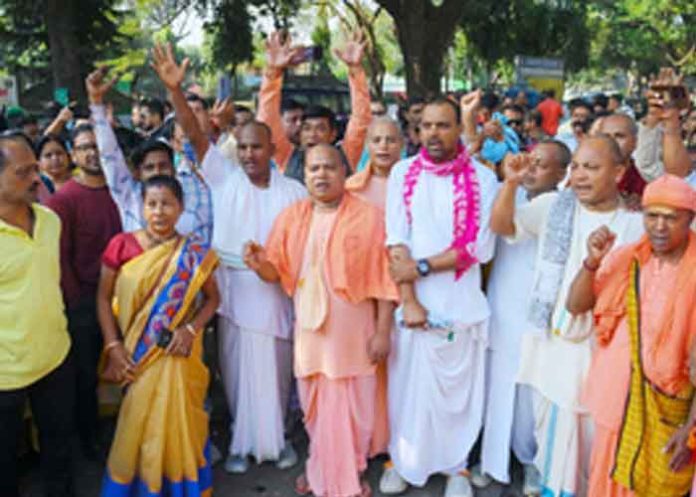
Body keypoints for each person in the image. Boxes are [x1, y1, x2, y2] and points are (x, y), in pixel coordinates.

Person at [150, 41, 307, 473]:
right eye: (243, 148)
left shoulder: (295, 193)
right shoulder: (224, 180)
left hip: (277, 292)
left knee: (278, 373)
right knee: (235, 373)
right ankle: (240, 441)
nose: (250, 155)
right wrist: (175, 92)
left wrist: (275, 271)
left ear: (273, 149)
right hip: (233, 291)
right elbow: (196, 135)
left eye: (258, 147)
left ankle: (280, 443)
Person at [489, 135, 645, 497]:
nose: (579, 176)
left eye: (591, 168)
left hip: (608, 353)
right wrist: (511, 184)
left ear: (620, 172)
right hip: (556, 348)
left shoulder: (636, 225)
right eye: (575, 166)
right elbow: (502, 226)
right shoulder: (553, 206)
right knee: (556, 448)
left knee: (599, 444)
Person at [244, 143, 398, 497]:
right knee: (314, 402)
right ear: (305, 175)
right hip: (311, 331)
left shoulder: (369, 217)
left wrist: (383, 332)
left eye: (330, 167)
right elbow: (275, 271)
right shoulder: (291, 217)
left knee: (355, 405)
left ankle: (349, 471)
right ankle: (322, 466)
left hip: (354, 328)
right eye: (314, 169)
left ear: (345, 173)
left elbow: (385, 281)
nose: (321, 175)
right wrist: (257, 264)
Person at [379, 96, 499, 497]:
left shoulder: (483, 178)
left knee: (457, 394)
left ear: (459, 129)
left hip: (460, 303)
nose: (433, 133)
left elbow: (479, 248)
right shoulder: (402, 173)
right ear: (417, 131)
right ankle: (402, 458)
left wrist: (423, 267)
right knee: (406, 388)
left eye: (443, 125)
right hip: (414, 303)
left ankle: (456, 467)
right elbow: (396, 240)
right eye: (426, 125)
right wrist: (410, 297)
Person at [564, 174, 696, 497]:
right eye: (652, 216)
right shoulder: (628, 258)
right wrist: (592, 262)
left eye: (670, 217)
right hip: (615, 399)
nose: (660, 227)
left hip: (669, 410)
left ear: (690, 219)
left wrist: (691, 429)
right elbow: (576, 305)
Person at [97, 175, 220, 496]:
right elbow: (102, 298)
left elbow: (213, 299)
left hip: (178, 352)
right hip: (136, 353)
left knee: (179, 420)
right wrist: (113, 346)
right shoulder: (121, 245)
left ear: (180, 208)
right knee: (137, 421)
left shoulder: (193, 253)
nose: (159, 212)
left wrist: (191, 330)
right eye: (152, 204)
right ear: (142, 207)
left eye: (167, 204)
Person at [473, 141, 571, 495]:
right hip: (504, 305)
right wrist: (510, 184)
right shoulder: (505, 192)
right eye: (529, 161)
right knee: (498, 387)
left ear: (562, 173)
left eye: (542, 165)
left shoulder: (567, 205)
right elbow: (498, 228)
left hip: (543, 313)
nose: (532, 170)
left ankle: (532, 462)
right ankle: (490, 461)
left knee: (533, 395)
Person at [0, 132, 75, 497]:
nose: (35, 177)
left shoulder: (49, 221)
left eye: (35, 168)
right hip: (5, 373)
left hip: (55, 356)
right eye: (22, 172)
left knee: (60, 447)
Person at [44, 123, 122, 458]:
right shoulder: (65, 200)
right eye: (83, 147)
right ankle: (90, 441)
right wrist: (76, 302)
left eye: (96, 145)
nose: (92, 152)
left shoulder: (122, 189)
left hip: (130, 296)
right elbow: (59, 256)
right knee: (86, 375)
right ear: (74, 155)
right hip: (85, 301)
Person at [87, 68, 213, 243]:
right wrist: (96, 103)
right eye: (149, 167)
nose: (158, 171)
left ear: (174, 169)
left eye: (163, 165)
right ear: (137, 173)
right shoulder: (129, 196)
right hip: (142, 269)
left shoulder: (195, 189)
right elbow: (110, 156)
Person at [257, 30, 371, 181]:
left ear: (333, 134)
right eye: (307, 128)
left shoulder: (346, 155)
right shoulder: (289, 158)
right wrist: (273, 72)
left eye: (321, 128)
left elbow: (361, 119)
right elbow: (267, 123)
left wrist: (355, 70)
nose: (313, 134)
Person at [596, 113, 646, 207]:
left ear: (635, 142)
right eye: (606, 136)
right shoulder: (583, 177)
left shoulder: (644, 187)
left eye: (619, 136)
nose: (612, 142)